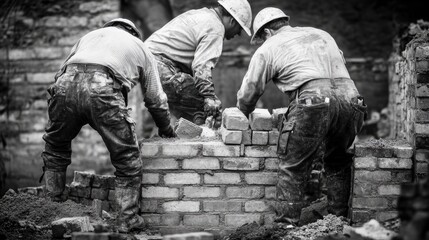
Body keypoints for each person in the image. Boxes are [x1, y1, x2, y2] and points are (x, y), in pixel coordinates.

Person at [40, 18, 176, 233]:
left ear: (110, 27)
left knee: (55, 147)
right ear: (133, 33)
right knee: (127, 159)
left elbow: (63, 72)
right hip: (102, 87)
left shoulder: (88, 37)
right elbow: (155, 99)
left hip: (64, 85)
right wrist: (167, 129)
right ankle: (127, 219)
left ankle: (50, 208)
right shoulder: (140, 46)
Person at [236, 8, 367, 225]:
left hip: (313, 99)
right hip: (352, 99)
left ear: (267, 32)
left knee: (294, 165)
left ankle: (285, 226)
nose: (261, 42)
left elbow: (251, 89)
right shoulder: (322, 34)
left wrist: (241, 114)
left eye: (260, 38)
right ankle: (337, 222)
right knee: (338, 161)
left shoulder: (269, 46)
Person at [145, 0, 252, 128]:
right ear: (232, 21)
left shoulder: (201, 15)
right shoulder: (215, 28)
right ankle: (200, 145)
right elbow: (202, 67)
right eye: (239, 29)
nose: (237, 34)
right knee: (205, 109)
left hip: (147, 63)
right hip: (160, 66)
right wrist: (209, 97)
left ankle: (174, 140)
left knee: (180, 114)